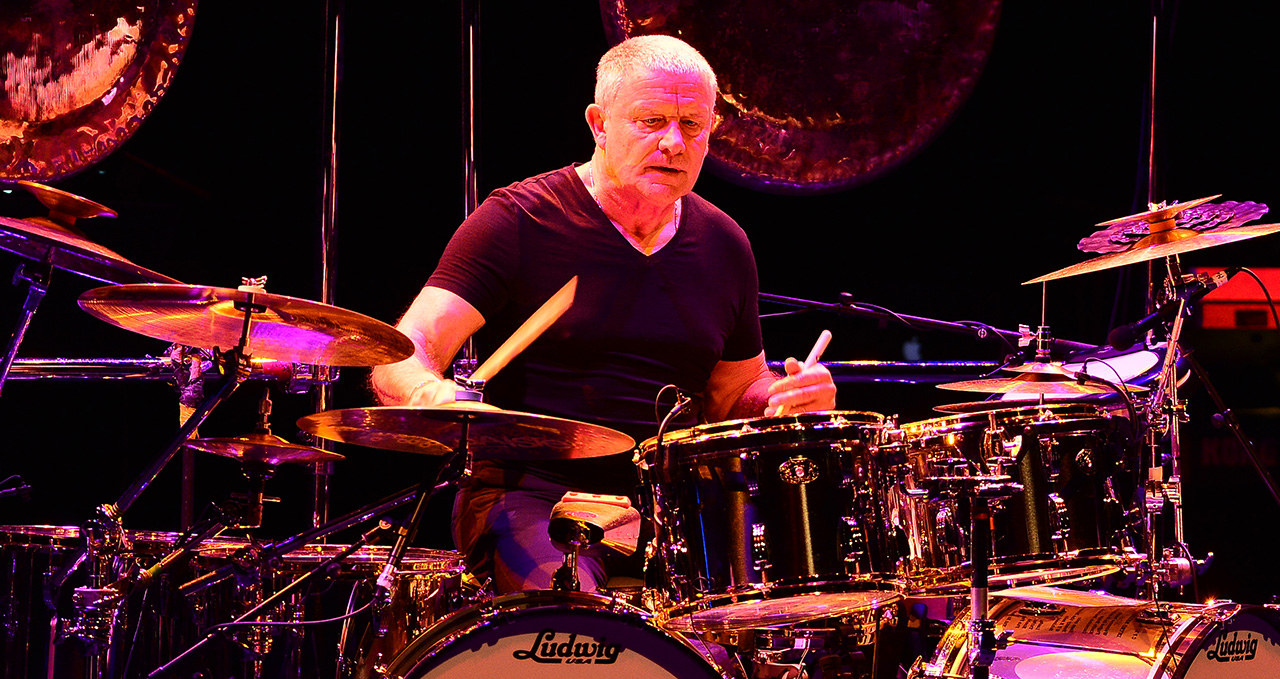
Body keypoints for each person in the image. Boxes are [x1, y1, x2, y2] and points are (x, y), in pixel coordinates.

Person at [370, 34, 835, 594]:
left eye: (692, 126)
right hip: (533, 494)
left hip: (672, 510)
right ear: (599, 124)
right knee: (577, 620)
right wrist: (426, 392)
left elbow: (733, 393)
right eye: (651, 120)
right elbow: (406, 345)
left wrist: (783, 398)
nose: (673, 142)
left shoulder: (724, 243)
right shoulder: (519, 220)